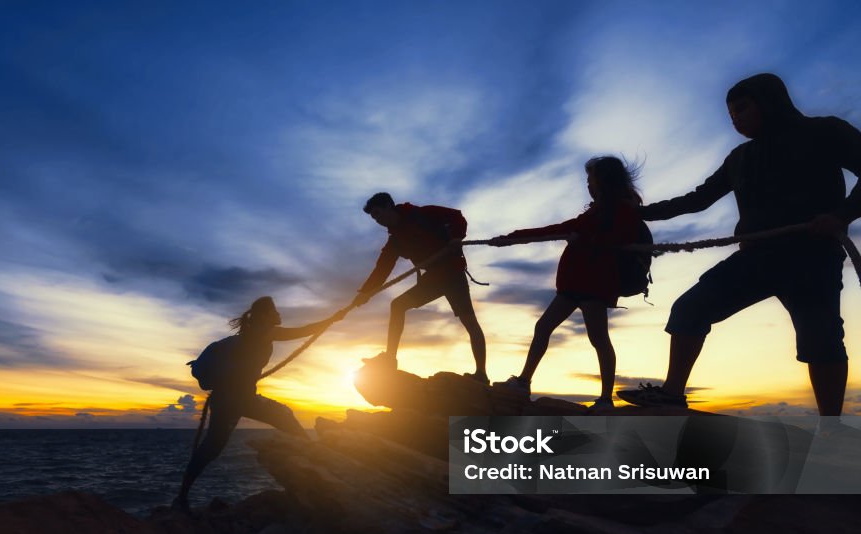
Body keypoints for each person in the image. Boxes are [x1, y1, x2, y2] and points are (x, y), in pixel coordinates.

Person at [617, 73, 861, 416]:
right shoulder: (740, 158)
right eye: (731, 113)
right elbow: (698, 199)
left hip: (812, 257)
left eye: (742, 108)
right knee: (690, 308)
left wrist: (842, 214)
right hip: (756, 258)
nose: (735, 118)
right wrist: (640, 213)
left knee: (820, 339)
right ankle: (672, 394)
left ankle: (831, 425)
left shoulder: (824, 131)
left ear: (769, 102)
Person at [489, 156, 646, 410]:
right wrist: (511, 238)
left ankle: (606, 399)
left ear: (603, 181)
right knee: (544, 327)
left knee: (599, 339)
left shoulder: (624, 210)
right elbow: (555, 229)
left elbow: (619, 240)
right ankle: (524, 381)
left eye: (590, 179)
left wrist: (584, 239)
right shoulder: (593, 213)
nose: (587, 185)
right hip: (574, 285)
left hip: (595, 286)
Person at [174, 296, 343, 510]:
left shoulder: (246, 336)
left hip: (227, 399)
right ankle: (317, 466)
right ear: (266, 316)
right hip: (238, 399)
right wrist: (334, 318)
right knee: (284, 417)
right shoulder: (266, 333)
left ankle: (181, 497)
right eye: (275, 311)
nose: (279, 314)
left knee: (211, 448)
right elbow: (303, 330)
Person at [354, 192, 489, 384]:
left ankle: (481, 375)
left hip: (452, 274)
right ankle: (390, 360)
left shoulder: (423, 214)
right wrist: (365, 293)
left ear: (389, 206)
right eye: (374, 217)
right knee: (397, 305)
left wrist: (457, 237)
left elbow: (456, 216)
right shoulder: (395, 242)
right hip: (432, 279)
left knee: (470, 322)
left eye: (378, 213)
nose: (378, 220)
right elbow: (381, 269)